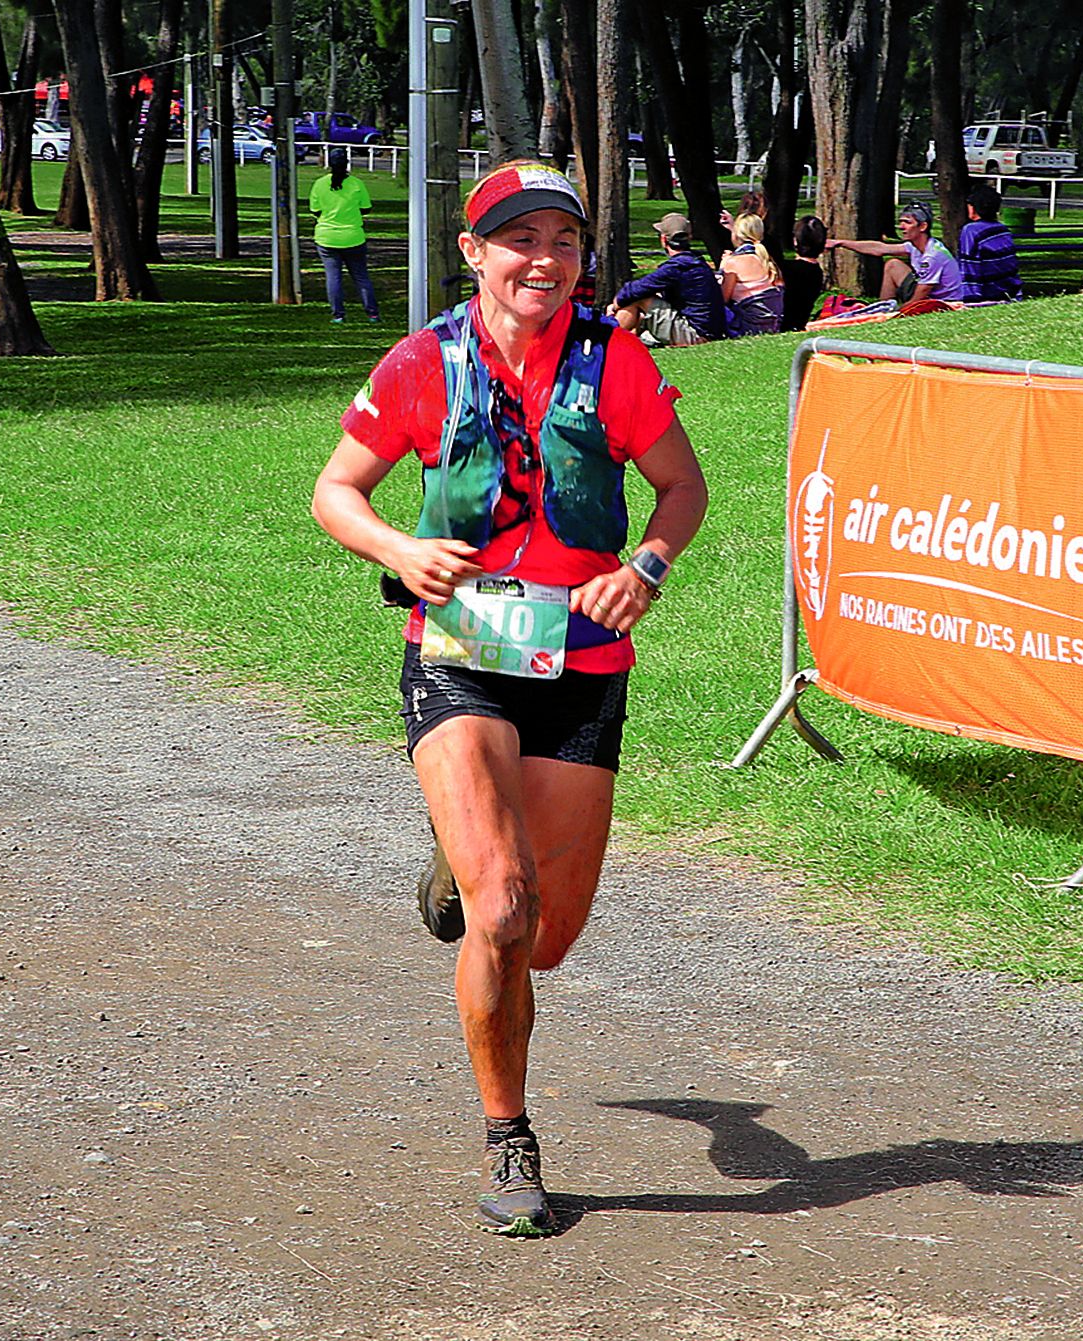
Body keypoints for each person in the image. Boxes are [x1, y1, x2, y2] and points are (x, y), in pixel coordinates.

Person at [311, 161, 708, 1235]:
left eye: (564, 243)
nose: (543, 260)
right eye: (518, 239)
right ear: (474, 253)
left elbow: (682, 487)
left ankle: (462, 848)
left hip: (581, 666)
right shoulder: (421, 361)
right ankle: (507, 1138)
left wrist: (648, 567)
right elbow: (336, 490)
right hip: (459, 654)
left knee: (548, 937)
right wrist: (400, 546)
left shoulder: (614, 359)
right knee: (502, 910)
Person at [608, 212, 728, 346]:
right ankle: (619, 342)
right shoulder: (696, 261)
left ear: (664, 239)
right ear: (689, 237)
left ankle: (608, 341)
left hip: (696, 335)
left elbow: (632, 290)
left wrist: (614, 305)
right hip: (709, 332)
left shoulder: (677, 267)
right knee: (641, 300)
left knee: (639, 298)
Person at [824, 201, 962, 304]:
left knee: (895, 268)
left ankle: (885, 311)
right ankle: (884, 306)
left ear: (923, 226)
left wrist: (902, 312)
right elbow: (879, 248)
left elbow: (923, 291)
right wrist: (840, 243)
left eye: (907, 223)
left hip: (942, 302)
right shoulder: (914, 246)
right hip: (928, 294)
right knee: (892, 265)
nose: (901, 227)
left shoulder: (933, 255)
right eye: (901, 222)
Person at [309, 148, 379, 323]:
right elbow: (366, 208)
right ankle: (372, 313)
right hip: (353, 237)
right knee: (361, 277)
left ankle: (338, 315)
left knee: (333, 277)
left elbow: (315, 210)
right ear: (347, 163)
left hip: (327, 238)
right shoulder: (356, 184)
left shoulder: (319, 184)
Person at [719, 212, 784, 336]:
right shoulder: (768, 261)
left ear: (736, 235)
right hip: (773, 325)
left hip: (747, 326)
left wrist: (722, 267)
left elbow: (722, 299)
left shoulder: (733, 262)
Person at [956, 183, 1022, 303]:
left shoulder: (971, 231)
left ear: (973, 207)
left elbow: (969, 266)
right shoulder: (1003, 230)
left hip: (987, 296)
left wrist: (970, 300)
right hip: (1010, 294)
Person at [780, 215, 828, 333]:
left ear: (795, 241)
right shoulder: (817, 272)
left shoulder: (786, 269)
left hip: (782, 324)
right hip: (799, 323)